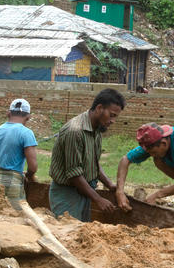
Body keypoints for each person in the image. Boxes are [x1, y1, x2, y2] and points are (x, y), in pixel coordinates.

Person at [48, 88, 125, 221]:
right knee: (67, 233)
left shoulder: (97, 130)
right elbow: (74, 174)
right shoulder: (75, 131)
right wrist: (98, 199)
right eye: (112, 115)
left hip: (85, 191)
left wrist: (110, 184)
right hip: (67, 194)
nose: (113, 121)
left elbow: (93, 163)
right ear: (99, 108)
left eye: (116, 117)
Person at [0, 98, 38, 205]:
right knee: (13, 215)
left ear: (8, 113)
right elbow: (32, 167)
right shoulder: (26, 133)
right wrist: (28, 175)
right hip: (13, 184)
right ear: (28, 117)